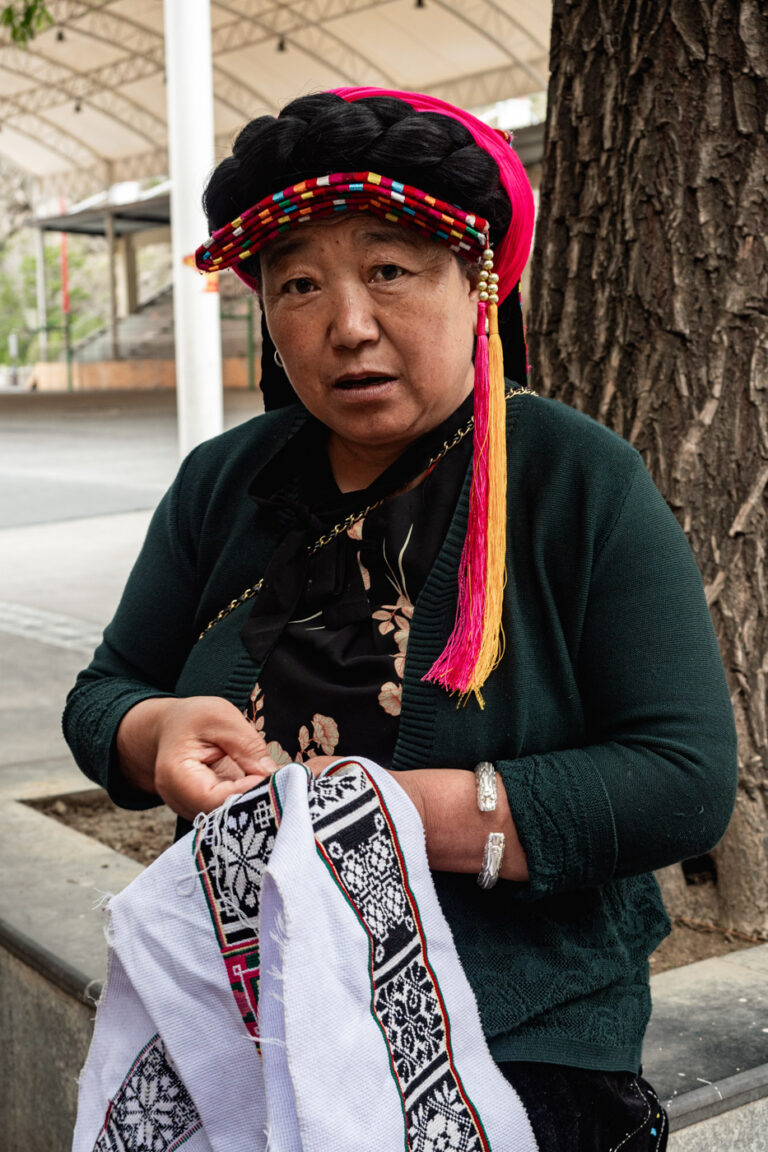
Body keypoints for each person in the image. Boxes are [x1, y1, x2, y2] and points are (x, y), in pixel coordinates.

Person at [64, 88, 737, 1151]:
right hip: (246, 1016)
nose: (348, 324)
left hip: (516, 1037)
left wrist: (389, 822)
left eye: (389, 269)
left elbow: (685, 777)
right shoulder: (221, 485)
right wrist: (153, 737)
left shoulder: (573, 477)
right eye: (298, 284)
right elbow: (105, 693)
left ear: (474, 284)